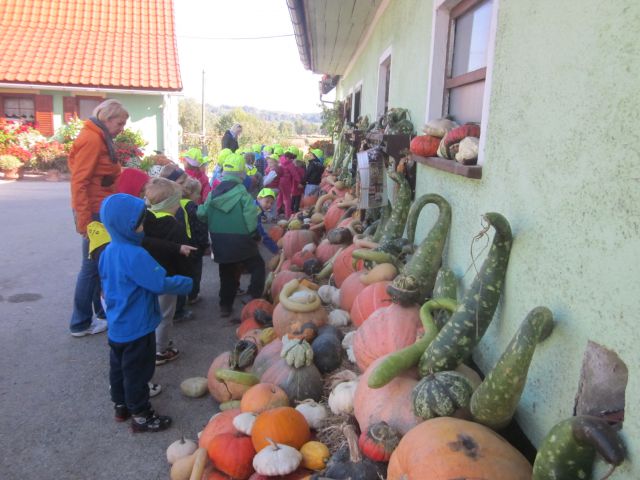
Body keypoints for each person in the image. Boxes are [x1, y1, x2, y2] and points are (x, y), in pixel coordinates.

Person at [99, 193, 192, 432]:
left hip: (117, 326)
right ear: (126, 226)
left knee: (119, 369)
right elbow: (158, 283)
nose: (142, 228)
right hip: (138, 327)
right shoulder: (136, 255)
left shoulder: (108, 251)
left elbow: (105, 283)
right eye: (139, 224)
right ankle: (142, 415)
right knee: (138, 373)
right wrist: (184, 283)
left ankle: (121, 406)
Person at [68, 99, 129, 337]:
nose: (122, 128)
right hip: (93, 212)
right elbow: (80, 181)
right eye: (120, 123)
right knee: (92, 267)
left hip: (98, 208)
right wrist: (85, 220)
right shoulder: (93, 139)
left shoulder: (99, 136)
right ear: (107, 118)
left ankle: (99, 315)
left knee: (97, 264)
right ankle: (80, 322)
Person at [197, 153, 265, 319]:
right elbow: (250, 216)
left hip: (219, 240)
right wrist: (254, 234)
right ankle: (253, 295)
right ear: (242, 175)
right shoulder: (243, 194)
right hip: (241, 238)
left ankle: (225, 306)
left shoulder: (213, 194)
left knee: (226, 272)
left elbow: (203, 215)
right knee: (258, 266)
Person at [143, 178, 194, 364]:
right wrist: (185, 278)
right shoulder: (175, 227)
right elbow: (182, 258)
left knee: (149, 312)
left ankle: (152, 342)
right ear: (173, 205)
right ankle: (160, 350)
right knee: (165, 315)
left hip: (146, 276)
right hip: (167, 278)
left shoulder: (144, 220)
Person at [255, 189, 279, 255]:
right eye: (267, 201)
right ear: (259, 199)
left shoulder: (255, 205)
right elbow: (260, 231)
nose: (269, 205)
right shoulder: (256, 210)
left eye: (271, 203)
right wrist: (276, 249)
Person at [276, 151, 299, 219]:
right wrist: (300, 181)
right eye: (291, 159)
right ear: (288, 158)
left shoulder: (280, 161)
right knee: (287, 199)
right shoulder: (289, 164)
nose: (292, 160)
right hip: (286, 182)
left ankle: (276, 212)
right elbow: (294, 174)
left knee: (279, 197)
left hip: (279, 181)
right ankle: (288, 214)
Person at [263, 154, 281, 222]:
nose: (269, 164)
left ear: (276, 162)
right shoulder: (277, 168)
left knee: (265, 203)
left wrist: (263, 183)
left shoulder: (274, 170)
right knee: (273, 204)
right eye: (268, 162)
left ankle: (268, 217)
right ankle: (274, 217)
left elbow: (267, 181)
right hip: (276, 188)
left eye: (271, 163)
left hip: (271, 189)